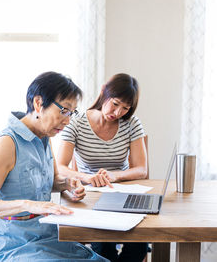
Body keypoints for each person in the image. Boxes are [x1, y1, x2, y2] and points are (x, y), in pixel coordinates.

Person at [0, 71, 108, 262]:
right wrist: (29, 205)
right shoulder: (7, 143)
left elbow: (52, 182)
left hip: (49, 237)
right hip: (16, 246)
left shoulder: (45, 138)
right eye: (64, 110)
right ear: (38, 103)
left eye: (71, 113)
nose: (68, 120)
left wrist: (68, 185)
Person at [56, 73, 148, 262]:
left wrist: (114, 176)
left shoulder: (131, 124)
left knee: (140, 244)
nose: (118, 112)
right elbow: (60, 166)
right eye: (115, 103)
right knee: (104, 246)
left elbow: (141, 169)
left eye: (125, 108)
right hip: (90, 196)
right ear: (103, 92)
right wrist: (87, 177)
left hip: (121, 195)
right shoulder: (77, 122)